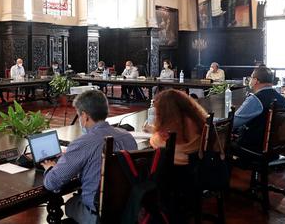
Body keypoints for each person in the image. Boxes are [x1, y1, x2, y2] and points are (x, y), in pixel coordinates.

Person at [42, 90, 137, 223]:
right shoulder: (127, 136)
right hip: (126, 210)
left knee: (70, 205)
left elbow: (52, 182)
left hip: (98, 216)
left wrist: (50, 167)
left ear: (85, 116)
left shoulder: (84, 142)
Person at [233, 66, 285, 152]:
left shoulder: (255, 99)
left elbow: (234, 122)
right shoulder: (284, 100)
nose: (250, 80)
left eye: (251, 77)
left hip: (254, 146)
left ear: (256, 80)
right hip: (275, 148)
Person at [149, 89, 207, 165]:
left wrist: (154, 133)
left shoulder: (175, 124)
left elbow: (158, 145)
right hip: (198, 166)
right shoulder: (196, 119)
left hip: (178, 169)